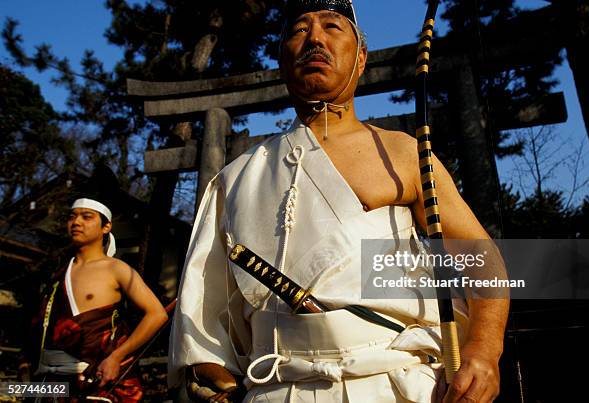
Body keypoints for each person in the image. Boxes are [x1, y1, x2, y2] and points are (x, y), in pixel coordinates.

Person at [169, 0, 509, 402]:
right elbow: (204, 309)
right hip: (276, 385)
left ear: (360, 58)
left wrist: (484, 348)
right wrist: (216, 381)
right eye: (298, 30)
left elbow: (479, 256)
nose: (314, 38)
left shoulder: (402, 153)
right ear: (282, 61)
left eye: (332, 27)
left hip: (395, 380)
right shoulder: (238, 177)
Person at [27, 169, 168, 402]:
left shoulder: (117, 269)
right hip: (49, 381)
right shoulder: (57, 271)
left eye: (87, 217)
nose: (76, 222)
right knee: (6, 391)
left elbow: (157, 314)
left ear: (106, 227)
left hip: (95, 379)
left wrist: (116, 357)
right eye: (72, 216)